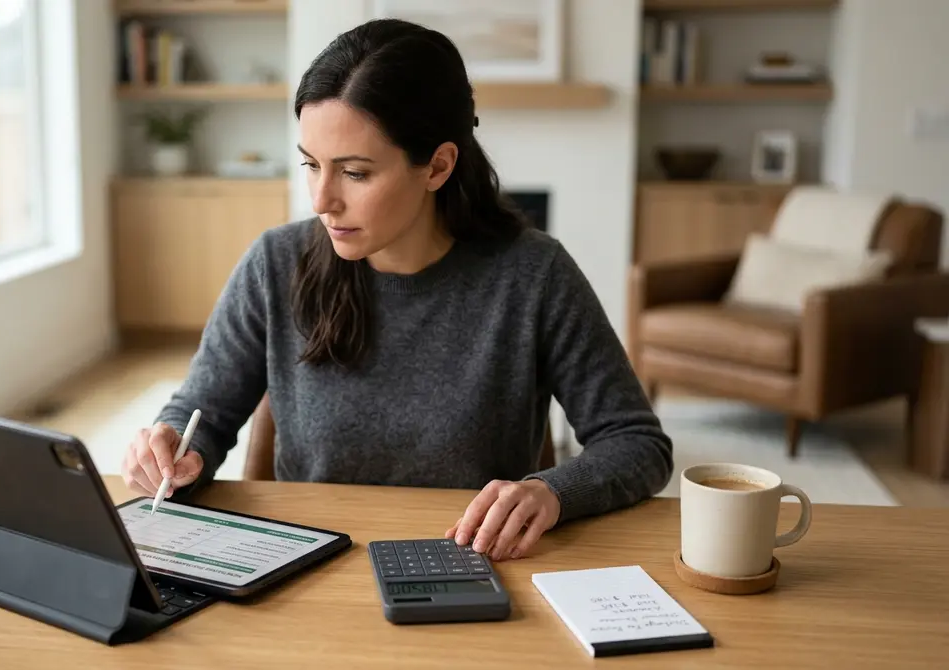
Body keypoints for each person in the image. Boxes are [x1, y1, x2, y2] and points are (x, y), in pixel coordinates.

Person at [121, 18, 672, 562]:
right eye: (311, 165)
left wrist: (552, 492)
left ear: (437, 166)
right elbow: (202, 414)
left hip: (475, 567)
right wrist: (172, 447)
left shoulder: (534, 274)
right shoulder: (275, 262)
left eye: (354, 173)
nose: (321, 200)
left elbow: (637, 443)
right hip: (306, 570)